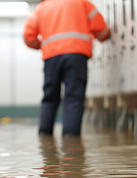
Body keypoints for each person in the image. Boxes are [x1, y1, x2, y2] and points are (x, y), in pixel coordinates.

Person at [24, 0, 110, 136]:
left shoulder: (41, 8)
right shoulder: (82, 3)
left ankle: (45, 136)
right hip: (76, 55)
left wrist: (43, 45)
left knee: (50, 97)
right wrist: (107, 35)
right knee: (74, 97)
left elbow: (28, 37)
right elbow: (102, 31)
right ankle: (71, 141)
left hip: (52, 57)